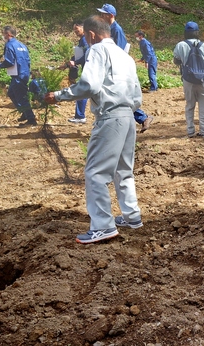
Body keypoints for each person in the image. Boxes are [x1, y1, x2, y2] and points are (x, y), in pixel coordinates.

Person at [43, 16, 144, 244]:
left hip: (110, 117)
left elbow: (89, 85)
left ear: (91, 34)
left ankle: (103, 226)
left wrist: (59, 96)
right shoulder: (125, 56)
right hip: (128, 116)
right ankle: (132, 216)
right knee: (123, 170)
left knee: (96, 173)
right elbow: (137, 94)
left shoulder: (97, 50)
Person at [97, 3, 154, 132]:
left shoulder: (116, 30)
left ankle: (142, 117)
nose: (101, 16)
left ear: (110, 16)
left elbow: (120, 50)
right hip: (111, 67)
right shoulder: (108, 29)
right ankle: (141, 118)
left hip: (117, 69)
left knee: (119, 98)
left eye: (103, 14)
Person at [173, 21, 204, 138]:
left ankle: (190, 131)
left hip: (188, 80)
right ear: (197, 32)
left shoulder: (180, 45)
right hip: (203, 80)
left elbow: (176, 61)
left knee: (190, 105)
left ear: (186, 33)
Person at [0, 25, 35, 127]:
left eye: (3, 33)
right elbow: (28, 60)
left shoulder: (9, 45)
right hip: (24, 73)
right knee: (11, 93)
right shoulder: (22, 45)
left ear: (8, 34)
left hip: (18, 75)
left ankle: (31, 119)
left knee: (21, 97)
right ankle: (24, 113)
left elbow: (9, 61)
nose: (3, 36)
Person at [58, 21, 89, 124]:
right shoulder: (82, 40)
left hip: (90, 70)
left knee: (82, 92)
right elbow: (77, 55)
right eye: (74, 29)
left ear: (83, 28)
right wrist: (67, 65)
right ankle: (80, 116)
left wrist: (75, 62)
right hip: (87, 70)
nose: (75, 31)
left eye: (77, 29)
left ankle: (80, 116)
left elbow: (86, 56)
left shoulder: (85, 41)